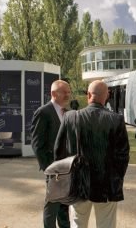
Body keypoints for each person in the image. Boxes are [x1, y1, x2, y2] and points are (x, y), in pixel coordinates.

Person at [54, 80, 130, 227]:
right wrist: (115, 178)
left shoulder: (70, 117)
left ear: (89, 95)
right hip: (107, 186)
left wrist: (66, 179)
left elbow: (59, 152)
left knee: (77, 223)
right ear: (106, 96)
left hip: (78, 184)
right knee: (106, 224)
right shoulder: (116, 119)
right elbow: (123, 156)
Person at [31, 80, 71, 228]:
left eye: (69, 91)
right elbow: (37, 144)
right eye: (65, 92)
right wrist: (49, 168)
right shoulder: (43, 112)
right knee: (52, 205)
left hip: (67, 168)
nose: (68, 95)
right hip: (54, 169)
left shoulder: (66, 112)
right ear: (54, 94)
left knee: (64, 205)